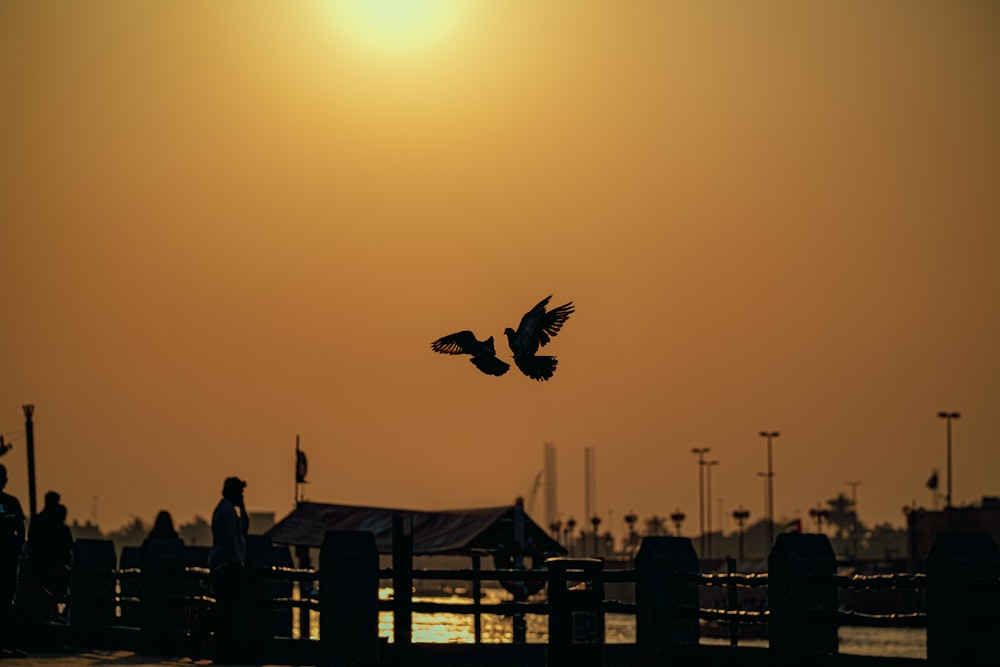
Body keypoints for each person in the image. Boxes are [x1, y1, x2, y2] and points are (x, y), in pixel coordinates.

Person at [208, 477, 249, 662]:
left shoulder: (226, 510)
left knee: (224, 610)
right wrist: (237, 564)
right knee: (226, 611)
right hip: (227, 567)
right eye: (239, 492)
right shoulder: (227, 512)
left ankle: (219, 648)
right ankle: (221, 649)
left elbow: (243, 530)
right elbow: (231, 541)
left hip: (223, 565)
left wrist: (243, 508)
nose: (241, 495)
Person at [26, 491, 74, 602]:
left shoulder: (38, 522)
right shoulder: (58, 528)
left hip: (41, 566)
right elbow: (69, 546)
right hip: (52, 567)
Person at [0, 464, 26, 657]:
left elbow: (20, 529)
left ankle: (8, 643)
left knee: (8, 602)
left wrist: (16, 550)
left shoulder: (11, 502)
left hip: (8, 559)